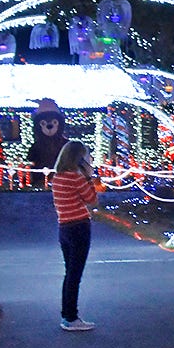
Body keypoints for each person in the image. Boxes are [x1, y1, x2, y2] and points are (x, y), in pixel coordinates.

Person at [49, 140, 99, 330]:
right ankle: (71, 318)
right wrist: (89, 178)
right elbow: (92, 200)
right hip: (79, 227)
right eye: (86, 156)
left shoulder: (57, 178)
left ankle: (67, 315)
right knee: (75, 275)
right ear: (78, 158)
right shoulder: (76, 178)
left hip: (64, 228)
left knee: (69, 273)